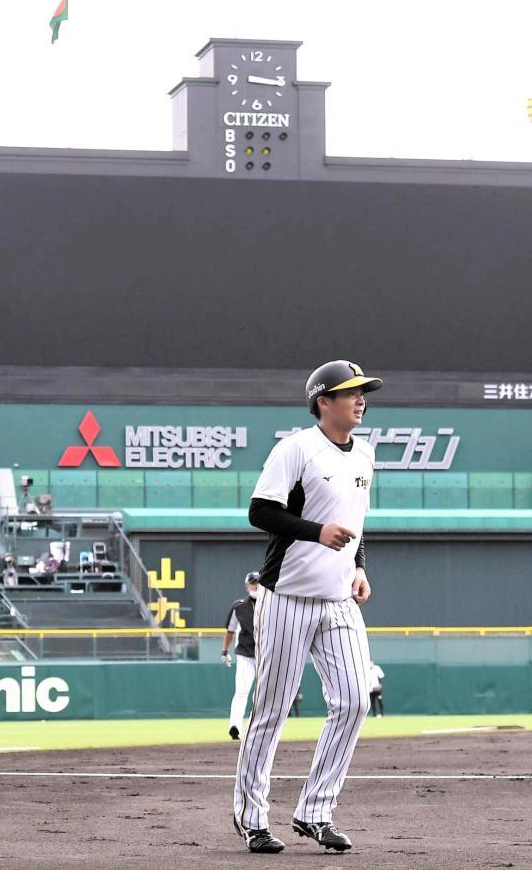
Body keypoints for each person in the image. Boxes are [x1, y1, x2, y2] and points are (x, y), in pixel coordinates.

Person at [233, 360, 382, 855]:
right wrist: (317, 532)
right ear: (323, 401)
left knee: (356, 700)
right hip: (287, 597)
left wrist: (358, 565)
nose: (360, 400)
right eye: (351, 392)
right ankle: (252, 819)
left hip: (339, 600)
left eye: (363, 393)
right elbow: (260, 511)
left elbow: (355, 521)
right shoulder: (296, 448)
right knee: (272, 710)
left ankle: (315, 811)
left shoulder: (364, 454)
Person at [222, 572, 261, 741]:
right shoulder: (239, 607)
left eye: (258, 582)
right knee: (242, 691)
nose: (256, 585)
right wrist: (224, 651)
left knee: (262, 695)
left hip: (265, 656)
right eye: (252, 583)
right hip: (245, 655)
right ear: (247, 587)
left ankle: (256, 729)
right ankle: (235, 726)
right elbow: (230, 631)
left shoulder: (271, 605)